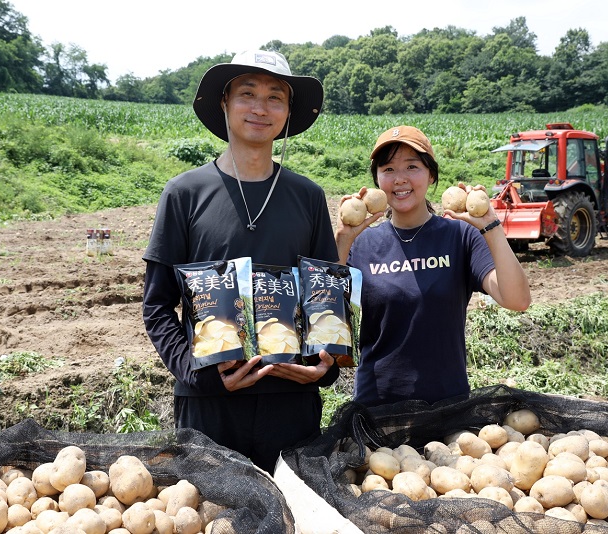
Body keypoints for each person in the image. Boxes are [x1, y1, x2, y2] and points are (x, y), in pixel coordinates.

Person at [142, 50, 339, 474]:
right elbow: (157, 306)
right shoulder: (184, 193)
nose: (260, 108)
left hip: (290, 401)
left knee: (293, 506)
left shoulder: (308, 196)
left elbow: (324, 296)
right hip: (210, 403)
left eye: (275, 97)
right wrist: (197, 374)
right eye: (247, 94)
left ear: (288, 112)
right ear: (224, 103)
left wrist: (324, 369)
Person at [334, 125, 531, 407]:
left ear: (431, 175)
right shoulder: (363, 244)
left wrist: (491, 227)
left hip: (447, 406)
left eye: (412, 166)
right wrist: (342, 240)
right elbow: (325, 315)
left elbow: (517, 300)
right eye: (388, 169)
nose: (400, 179)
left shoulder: (460, 237)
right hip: (376, 405)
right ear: (377, 179)